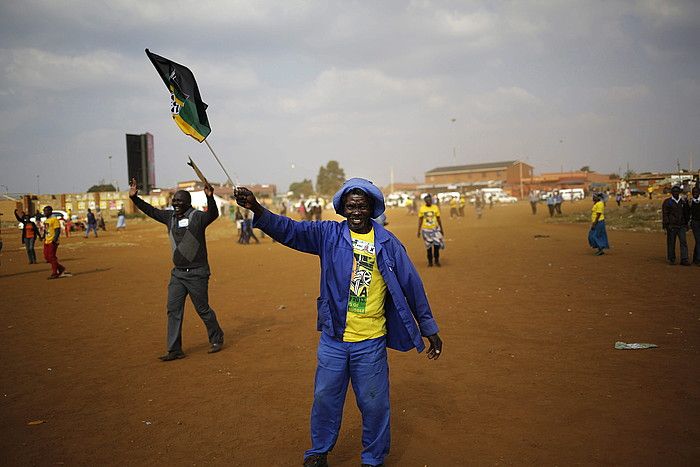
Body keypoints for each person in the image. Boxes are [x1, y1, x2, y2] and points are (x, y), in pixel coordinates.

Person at [234, 178, 442, 467]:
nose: (356, 211)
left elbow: (412, 286)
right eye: (351, 206)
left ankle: (373, 458)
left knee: (374, 404)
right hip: (334, 339)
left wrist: (429, 328)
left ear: (372, 208)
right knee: (325, 398)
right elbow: (291, 230)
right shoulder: (328, 235)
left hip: (370, 342)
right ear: (343, 209)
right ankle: (319, 451)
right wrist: (257, 208)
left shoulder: (388, 244)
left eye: (362, 206)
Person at [128, 178, 224, 360]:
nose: (176, 203)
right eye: (174, 200)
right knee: (173, 310)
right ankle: (174, 350)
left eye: (180, 201)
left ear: (188, 203)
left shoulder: (197, 217)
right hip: (178, 275)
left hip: (197, 273)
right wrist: (135, 198)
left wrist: (210, 197)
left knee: (202, 309)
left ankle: (217, 338)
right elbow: (151, 211)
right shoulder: (169, 218)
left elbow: (213, 214)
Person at [661, 185, 690, 266]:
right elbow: (665, 214)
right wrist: (666, 225)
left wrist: (686, 223)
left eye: (677, 192)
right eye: (674, 192)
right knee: (671, 242)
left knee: (683, 242)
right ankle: (671, 258)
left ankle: (684, 259)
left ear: (679, 192)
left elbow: (686, 213)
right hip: (671, 226)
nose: (676, 193)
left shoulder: (683, 201)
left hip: (681, 225)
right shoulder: (667, 202)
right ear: (671, 193)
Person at [41, 206, 69, 279]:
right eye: (44, 211)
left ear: (50, 211)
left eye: (46, 211)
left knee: (51, 257)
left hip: (53, 241)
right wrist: (43, 236)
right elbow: (46, 230)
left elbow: (57, 230)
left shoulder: (54, 219)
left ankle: (54, 273)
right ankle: (61, 268)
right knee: (46, 257)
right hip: (47, 241)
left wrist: (55, 239)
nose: (45, 212)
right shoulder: (46, 220)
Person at [417, 194, 445, 267]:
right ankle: (430, 262)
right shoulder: (422, 208)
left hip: (435, 230)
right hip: (426, 230)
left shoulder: (435, 207)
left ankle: (436, 260)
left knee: (436, 246)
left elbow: (438, 218)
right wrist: (418, 231)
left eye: (430, 200)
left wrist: (441, 229)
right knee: (428, 247)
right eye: (427, 200)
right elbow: (420, 220)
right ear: (425, 201)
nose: (429, 201)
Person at [688, 186, 700, 265]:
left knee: (698, 241)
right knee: (698, 240)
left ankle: (695, 259)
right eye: (693, 192)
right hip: (695, 223)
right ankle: (698, 259)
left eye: (696, 192)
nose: (695, 194)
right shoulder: (690, 202)